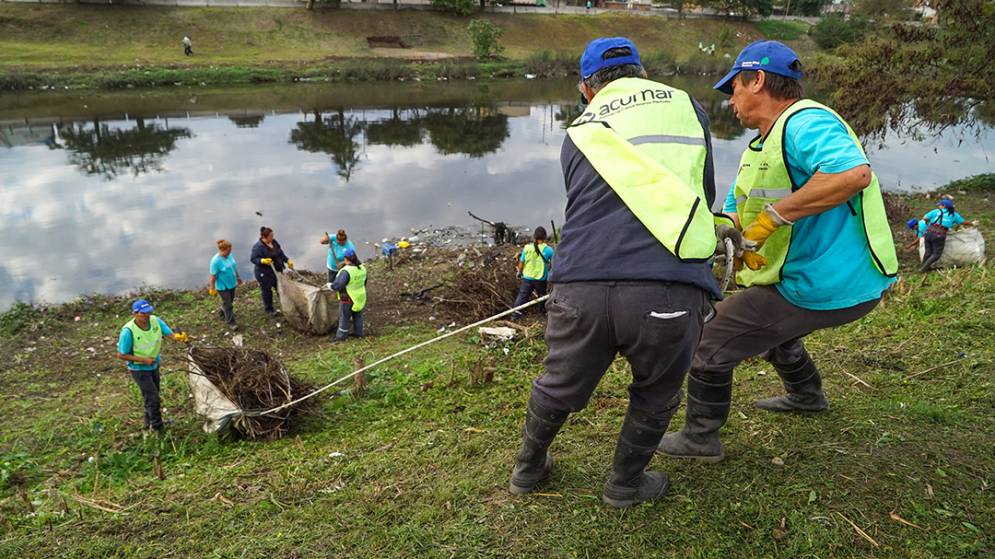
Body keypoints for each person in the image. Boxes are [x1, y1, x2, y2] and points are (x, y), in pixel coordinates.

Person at [658, 40, 898, 464]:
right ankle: (807, 396)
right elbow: (734, 213)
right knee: (776, 333)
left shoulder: (805, 122)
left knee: (707, 343)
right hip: (817, 280)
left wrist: (773, 219)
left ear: (759, 80)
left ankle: (700, 438)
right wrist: (711, 230)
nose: (731, 101)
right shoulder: (759, 149)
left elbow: (853, 174)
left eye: (734, 88)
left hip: (824, 282)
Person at [508, 37, 724, 508]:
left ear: (586, 88)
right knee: (658, 388)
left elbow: (584, 206)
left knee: (559, 381)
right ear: (644, 74)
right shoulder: (688, 108)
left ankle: (528, 469)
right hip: (667, 285)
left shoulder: (580, 130)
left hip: (580, 284)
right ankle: (625, 485)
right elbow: (700, 197)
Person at [115, 299, 189, 434]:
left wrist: (178, 337)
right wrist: (143, 360)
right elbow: (121, 355)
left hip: (154, 365)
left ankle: (148, 420)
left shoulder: (155, 321)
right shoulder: (128, 331)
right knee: (153, 397)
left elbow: (169, 334)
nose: (147, 316)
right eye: (143, 314)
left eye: (148, 313)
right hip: (138, 369)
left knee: (152, 394)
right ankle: (157, 427)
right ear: (135, 314)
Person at [250, 226, 294, 317]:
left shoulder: (274, 242)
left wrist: (287, 260)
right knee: (267, 291)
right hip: (265, 274)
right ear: (264, 237)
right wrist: (262, 261)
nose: (272, 237)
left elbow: (280, 253)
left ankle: (285, 304)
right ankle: (269, 310)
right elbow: (253, 259)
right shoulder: (258, 247)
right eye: (270, 236)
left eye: (272, 235)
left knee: (280, 288)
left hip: (277, 271)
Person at [511, 226, 554, 317]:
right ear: (545, 237)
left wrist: (519, 272)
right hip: (541, 278)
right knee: (541, 296)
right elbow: (554, 263)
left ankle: (515, 314)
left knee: (522, 296)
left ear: (534, 237)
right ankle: (541, 312)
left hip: (527, 277)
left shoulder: (527, 248)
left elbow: (522, 262)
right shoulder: (549, 250)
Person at [920, 198, 967, 272]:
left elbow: (925, 218)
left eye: (940, 205)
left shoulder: (936, 211)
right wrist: (972, 224)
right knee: (936, 254)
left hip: (928, 232)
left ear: (944, 206)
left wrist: (928, 222)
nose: (939, 206)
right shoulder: (954, 214)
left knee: (928, 251)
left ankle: (923, 266)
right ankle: (924, 268)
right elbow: (963, 222)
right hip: (939, 235)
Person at [330, 249, 367, 342]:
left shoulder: (346, 271)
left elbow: (338, 285)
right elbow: (364, 282)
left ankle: (341, 337)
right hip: (359, 296)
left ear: (345, 258)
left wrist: (330, 285)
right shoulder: (362, 268)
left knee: (344, 317)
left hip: (347, 297)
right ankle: (359, 333)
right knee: (358, 315)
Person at [209, 239, 242, 330]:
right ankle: (231, 323)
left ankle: (222, 310)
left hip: (231, 283)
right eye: (228, 250)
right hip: (222, 286)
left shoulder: (229, 256)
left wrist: (238, 277)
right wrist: (212, 288)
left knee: (230, 301)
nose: (230, 252)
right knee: (229, 304)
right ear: (223, 250)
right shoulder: (215, 261)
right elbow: (213, 275)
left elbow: (233, 267)